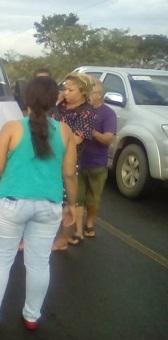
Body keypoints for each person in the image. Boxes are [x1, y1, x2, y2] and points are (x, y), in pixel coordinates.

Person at [0, 76, 77, 331]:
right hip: (49, 206)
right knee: (40, 263)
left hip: (10, 204)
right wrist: (72, 205)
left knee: (0, 261)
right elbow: (70, 174)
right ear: (56, 100)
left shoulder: (12, 128)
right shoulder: (64, 131)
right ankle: (31, 316)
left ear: (26, 99)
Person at [51, 72, 96, 250]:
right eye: (65, 88)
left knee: (66, 200)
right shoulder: (60, 106)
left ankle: (63, 238)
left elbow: (76, 139)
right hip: (51, 157)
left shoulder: (87, 113)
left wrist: (54, 137)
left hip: (68, 159)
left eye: (71, 89)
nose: (66, 92)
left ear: (83, 92)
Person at [76, 78, 117, 239]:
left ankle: (90, 223)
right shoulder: (81, 110)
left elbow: (108, 139)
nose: (86, 96)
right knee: (77, 198)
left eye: (89, 93)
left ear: (98, 95)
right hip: (78, 161)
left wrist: (90, 130)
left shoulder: (108, 114)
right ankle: (78, 231)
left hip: (96, 164)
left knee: (93, 199)